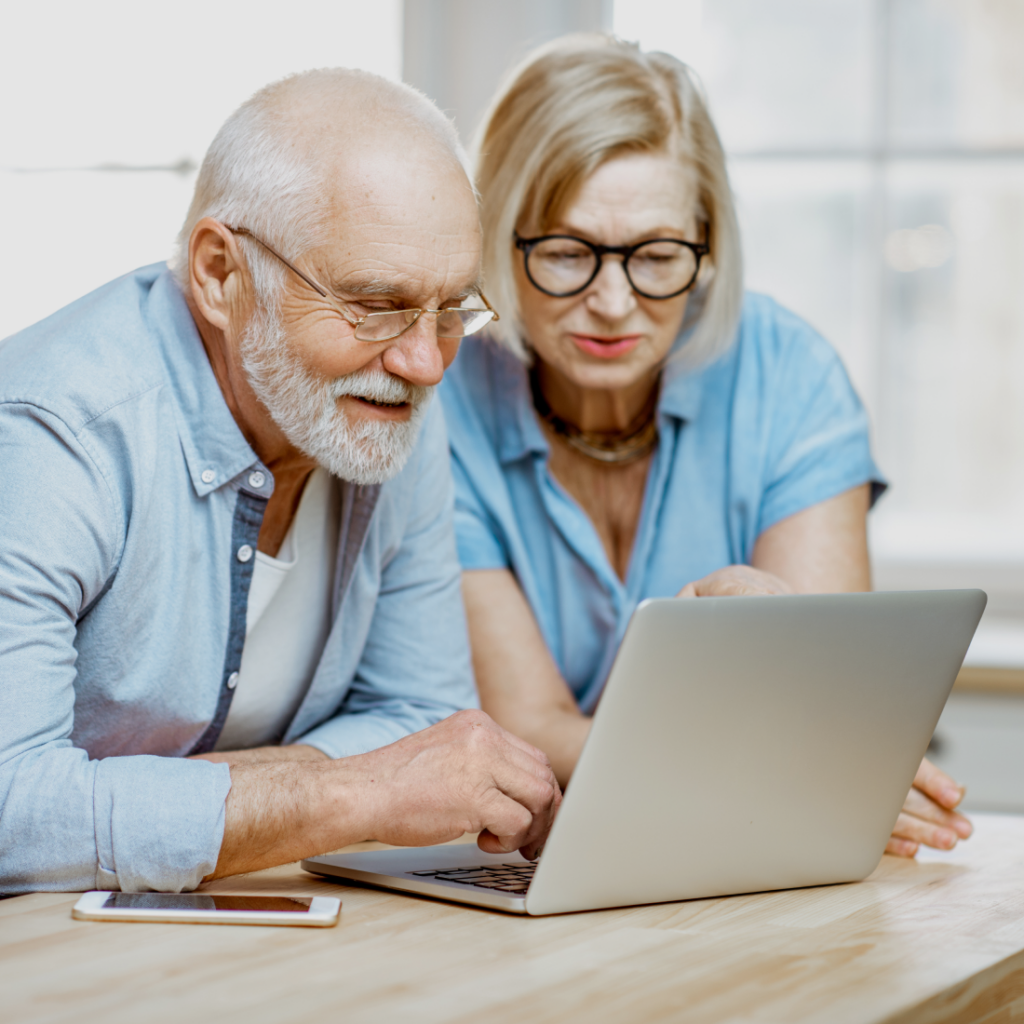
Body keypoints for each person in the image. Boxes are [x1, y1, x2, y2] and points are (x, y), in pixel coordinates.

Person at [0, 69, 559, 895]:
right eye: (374, 303)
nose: (425, 362)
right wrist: (352, 791)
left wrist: (173, 804)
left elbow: (423, 722)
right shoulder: (52, 434)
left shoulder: (390, 398)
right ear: (222, 274)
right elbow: (15, 812)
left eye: (450, 311)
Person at [438, 35, 970, 859]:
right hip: (550, 846)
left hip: (755, 845)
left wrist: (811, 746)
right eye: (568, 253)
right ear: (498, 241)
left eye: (656, 257)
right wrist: (778, 758)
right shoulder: (446, 407)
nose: (613, 301)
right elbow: (528, 729)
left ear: (709, 250)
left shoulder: (788, 373)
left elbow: (822, 703)